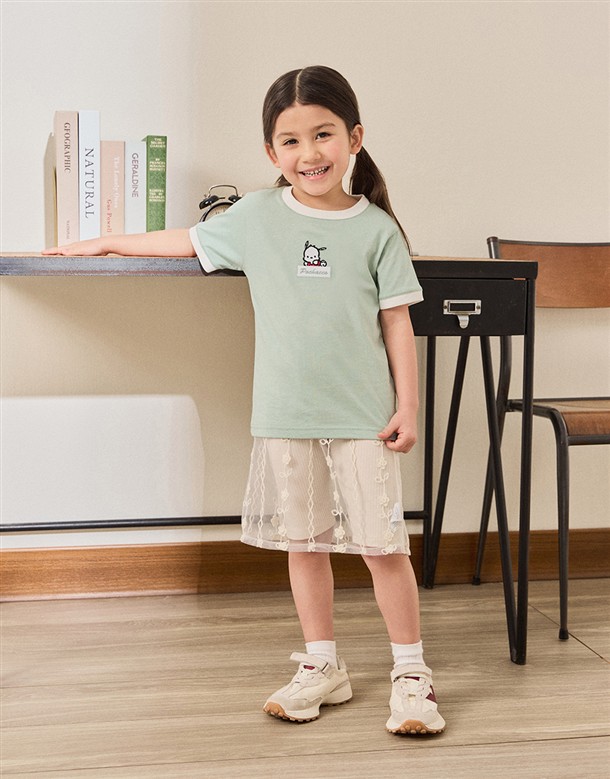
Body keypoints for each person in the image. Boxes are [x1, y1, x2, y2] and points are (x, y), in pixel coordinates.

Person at [44, 65, 445, 736]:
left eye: (323, 134)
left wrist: (409, 406)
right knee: (305, 544)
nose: (309, 153)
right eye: (290, 140)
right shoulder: (257, 215)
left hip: (366, 418)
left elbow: (397, 323)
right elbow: (185, 240)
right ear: (271, 152)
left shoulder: (377, 229)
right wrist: (108, 240)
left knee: (382, 547)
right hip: (286, 415)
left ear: (354, 138)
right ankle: (323, 663)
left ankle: (411, 672)